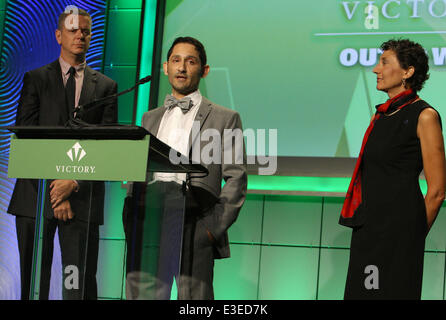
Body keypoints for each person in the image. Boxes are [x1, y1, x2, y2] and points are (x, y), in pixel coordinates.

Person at [123, 36, 247, 300]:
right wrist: (132, 213)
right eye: (176, 61)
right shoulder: (149, 117)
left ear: (204, 70)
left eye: (190, 62)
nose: (182, 68)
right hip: (150, 216)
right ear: (165, 67)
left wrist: (213, 227)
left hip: (194, 218)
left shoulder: (225, 118)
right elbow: (136, 169)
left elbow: (236, 178)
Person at [8, 8, 117, 300]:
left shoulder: (106, 87)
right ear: (59, 35)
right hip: (35, 196)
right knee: (34, 284)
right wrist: (58, 185)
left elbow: (105, 148)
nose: (80, 35)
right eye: (73, 30)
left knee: (76, 286)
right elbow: (27, 136)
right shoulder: (36, 79)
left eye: (86, 30)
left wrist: (73, 183)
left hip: (82, 199)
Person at [339, 39, 445, 299]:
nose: (376, 69)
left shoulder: (425, 115)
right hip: (369, 229)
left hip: (398, 235)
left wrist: (411, 235)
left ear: (408, 72)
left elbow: (438, 191)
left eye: (384, 62)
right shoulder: (382, 115)